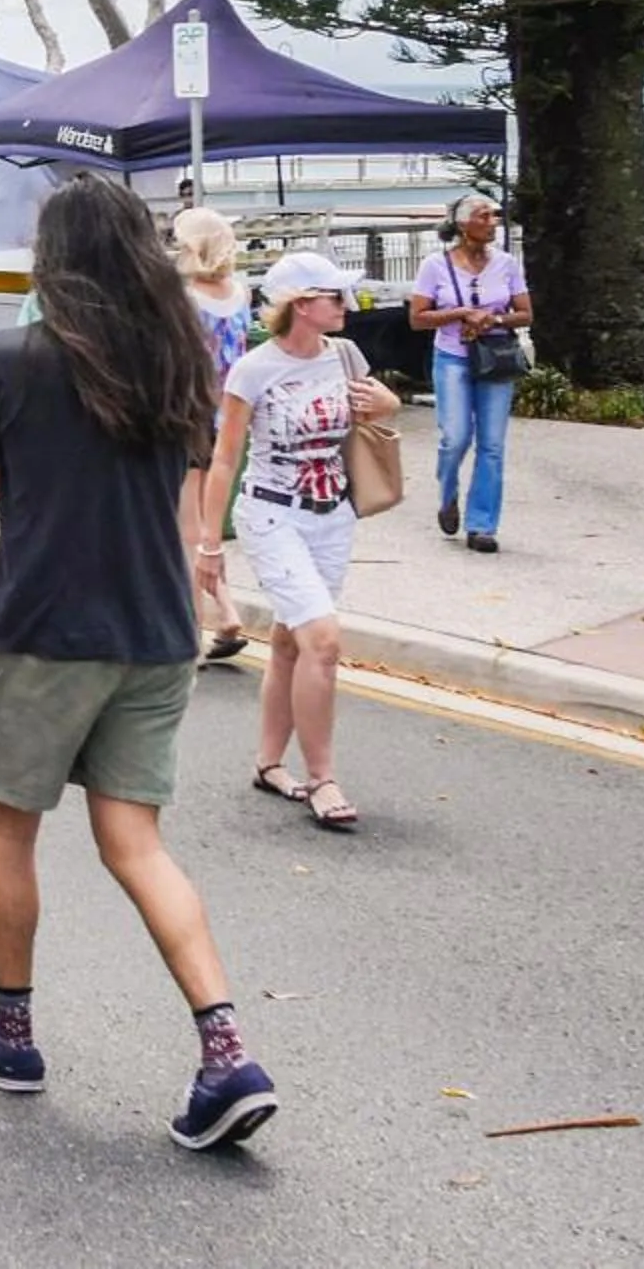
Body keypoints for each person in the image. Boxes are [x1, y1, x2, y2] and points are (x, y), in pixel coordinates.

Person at [0, 175, 280, 1152]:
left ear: (53, 258)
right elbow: (184, 498)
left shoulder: (11, 357)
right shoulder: (178, 361)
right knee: (136, 843)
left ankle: (12, 1038)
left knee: (10, 828)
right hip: (156, 630)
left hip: (44, 626)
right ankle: (226, 1051)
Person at [201, 251, 402, 834]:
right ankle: (322, 778)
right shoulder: (254, 370)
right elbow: (224, 459)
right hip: (272, 516)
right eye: (335, 296)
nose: (346, 305)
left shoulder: (346, 355)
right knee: (323, 640)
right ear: (301, 305)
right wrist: (210, 544)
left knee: (291, 640)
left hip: (333, 515)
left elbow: (379, 408)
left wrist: (388, 404)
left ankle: (268, 763)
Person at [411, 193, 532, 552]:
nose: (492, 222)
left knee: (492, 444)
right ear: (463, 224)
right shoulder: (435, 266)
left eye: (494, 215)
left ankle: (482, 525)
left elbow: (525, 313)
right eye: (484, 216)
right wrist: (461, 314)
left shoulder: (507, 264)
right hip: (453, 356)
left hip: (495, 357)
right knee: (456, 437)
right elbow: (417, 318)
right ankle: (447, 492)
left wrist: (493, 319)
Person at [169, 208, 255, 663]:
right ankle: (226, 610)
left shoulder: (184, 299)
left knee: (189, 531)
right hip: (229, 416)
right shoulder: (241, 293)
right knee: (208, 528)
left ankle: (194, 630)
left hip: (188, 415)